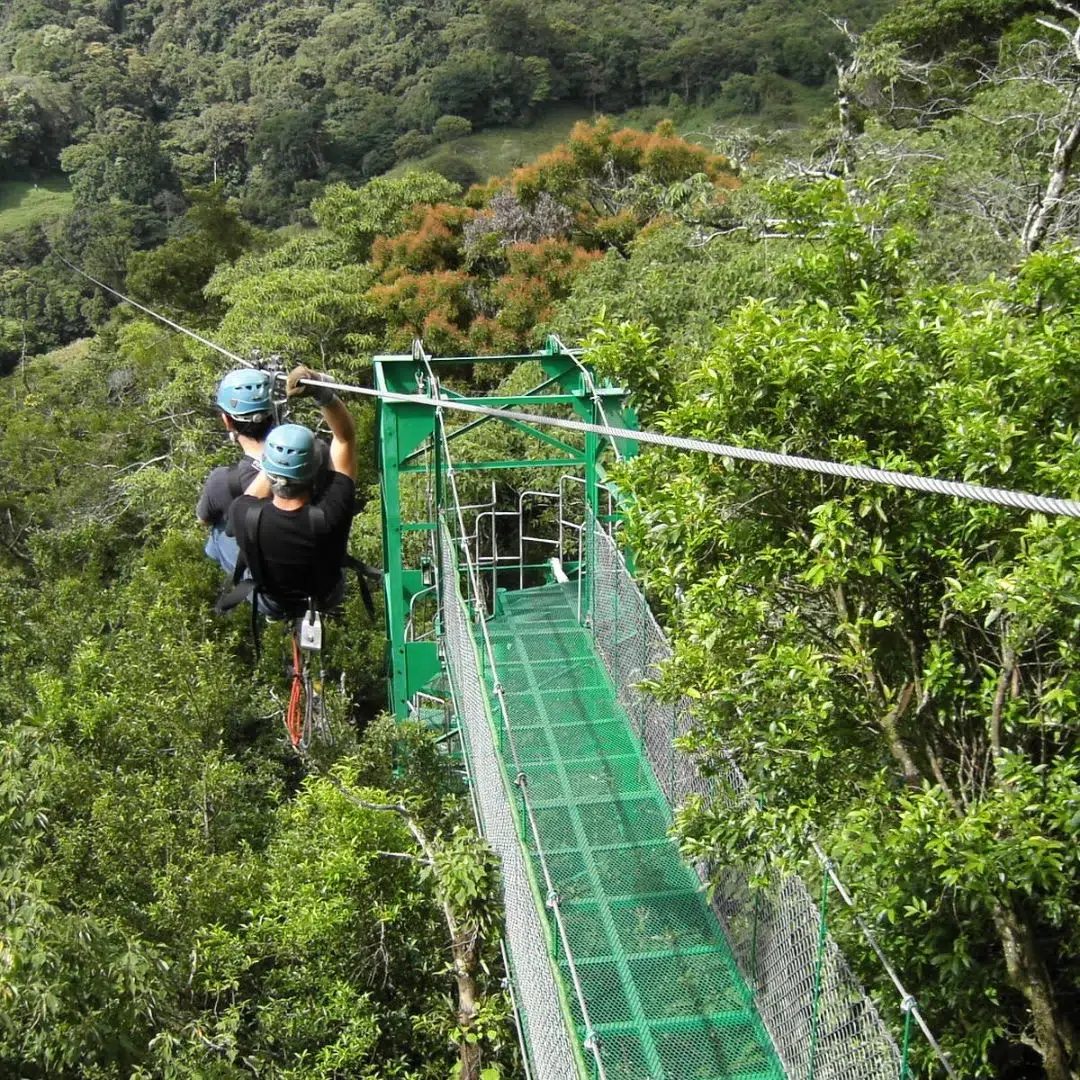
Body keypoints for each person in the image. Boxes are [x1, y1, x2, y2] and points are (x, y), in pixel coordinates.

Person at [228, 365, 357, 616]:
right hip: (324, 596)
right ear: (313, 471)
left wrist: (277, 460)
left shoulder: (243, 514)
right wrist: (323, 392)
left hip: (272, 601)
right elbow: (344, 439)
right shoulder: (332, 513)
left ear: (266, 467)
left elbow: (254, 493)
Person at [196, 368, 275, 574]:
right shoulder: (309, 460)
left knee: (216, 532)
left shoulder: (222, 479)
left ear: (227, 421)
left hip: (270, 589)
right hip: (318, 580)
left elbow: (203, 519)